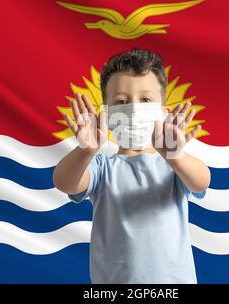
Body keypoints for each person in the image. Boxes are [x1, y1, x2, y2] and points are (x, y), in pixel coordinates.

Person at [53, 48, 211, 283]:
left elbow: (201, 182)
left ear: (164, 112)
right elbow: (65, 182)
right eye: (122, 101)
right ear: (106, 113)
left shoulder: (174, 165)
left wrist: (175, 156)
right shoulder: (101, 167)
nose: (134, 108)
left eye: (146, 100)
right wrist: (86, 150)